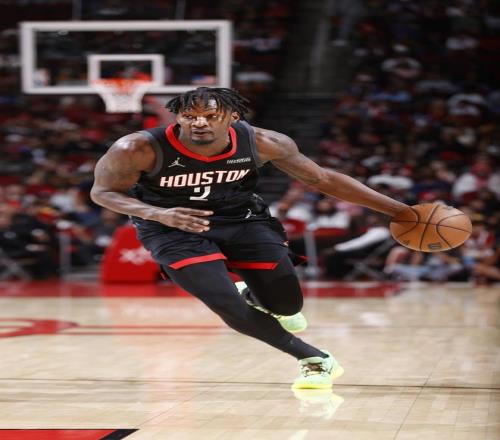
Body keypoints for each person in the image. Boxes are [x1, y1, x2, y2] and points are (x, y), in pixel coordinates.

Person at [90, 87, 408, 389]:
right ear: (178, 117)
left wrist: (400, 211)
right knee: (223, 301)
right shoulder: (137, 148)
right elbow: (102, 192)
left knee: (287, 305)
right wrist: (157, 214)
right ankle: (314, 359)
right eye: (190, 116)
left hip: (241, 218)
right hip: (172, 226)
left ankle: (255, 297)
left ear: (233, 117)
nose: (199, 123)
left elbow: (322, 179)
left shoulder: (263, 142)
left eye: (211, 116)